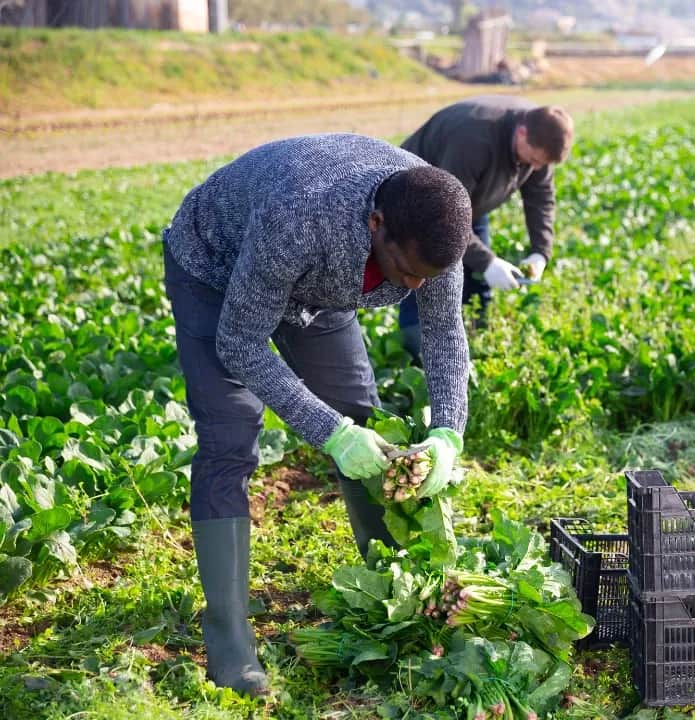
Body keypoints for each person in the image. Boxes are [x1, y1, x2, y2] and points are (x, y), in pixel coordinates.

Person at [161, 133, 472, 696]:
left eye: (430, 274)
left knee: (359, 411)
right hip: (216, 268)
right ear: (377, 224)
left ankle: (395, 591)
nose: (417, 286)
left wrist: (448, 430)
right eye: (407, 271)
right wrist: (330, 434)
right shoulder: (301, 215)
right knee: (230, 437)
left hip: (317, 289)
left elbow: (445, 335)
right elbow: (241, 343)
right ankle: (228, 633)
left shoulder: (435, 222)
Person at [396, 96, 574, 359]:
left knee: (477, 281)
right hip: (419, 200)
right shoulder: (473, 139)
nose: (535, 168)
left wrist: (540, 252)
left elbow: (541, 199)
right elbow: (443, 215)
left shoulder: (540, 140)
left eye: (541, 164)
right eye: (534, 159)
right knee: (426, 272)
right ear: (522, 132)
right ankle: (417, 352)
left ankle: (475, 340)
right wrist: (488, 262)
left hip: (468, 201)